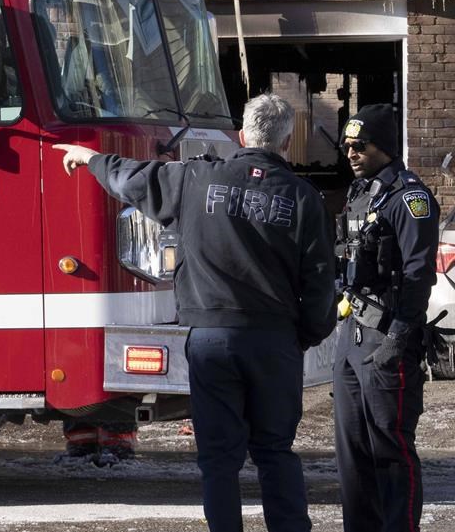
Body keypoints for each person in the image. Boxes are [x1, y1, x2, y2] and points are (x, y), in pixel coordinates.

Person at [54, 93, 336, 532]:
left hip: (211, 339)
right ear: (286, 142)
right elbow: (320, 285)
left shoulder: (195, 179)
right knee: (275, 451)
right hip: (275, 342)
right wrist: (303, 336)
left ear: (242, 135)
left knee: (219, 460)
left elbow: (134, 179)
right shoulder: (304, 199)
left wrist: (91, 159)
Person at [333, 103, 438, 532]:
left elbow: (418, 273)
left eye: (361, 146)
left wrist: (399, 334)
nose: (352, 154)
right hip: (352, 333)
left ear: (385, 146)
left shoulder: (408, 196)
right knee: (352, 450)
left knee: (390, 448)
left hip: (387, 338)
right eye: (347, 147)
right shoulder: (362, 193)